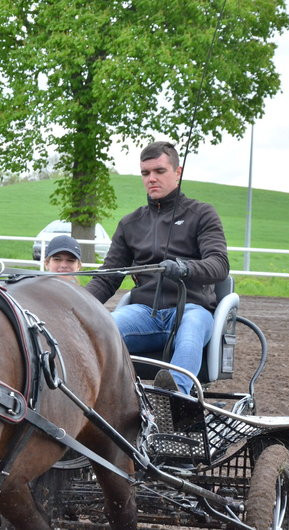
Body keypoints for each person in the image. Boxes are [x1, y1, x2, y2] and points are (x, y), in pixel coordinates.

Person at [85, 141, 229, 394]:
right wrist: (74, 303)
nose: (151, 178)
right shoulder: (130, 223)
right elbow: (108, 277)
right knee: (103, 329)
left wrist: (184, 268)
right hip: (143, 313)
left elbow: (219, 264)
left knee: (190, 334)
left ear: (178, 172)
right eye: (145, 173)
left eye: (159, 171)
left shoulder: (202, 214)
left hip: (192, 309)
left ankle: (174, 400)